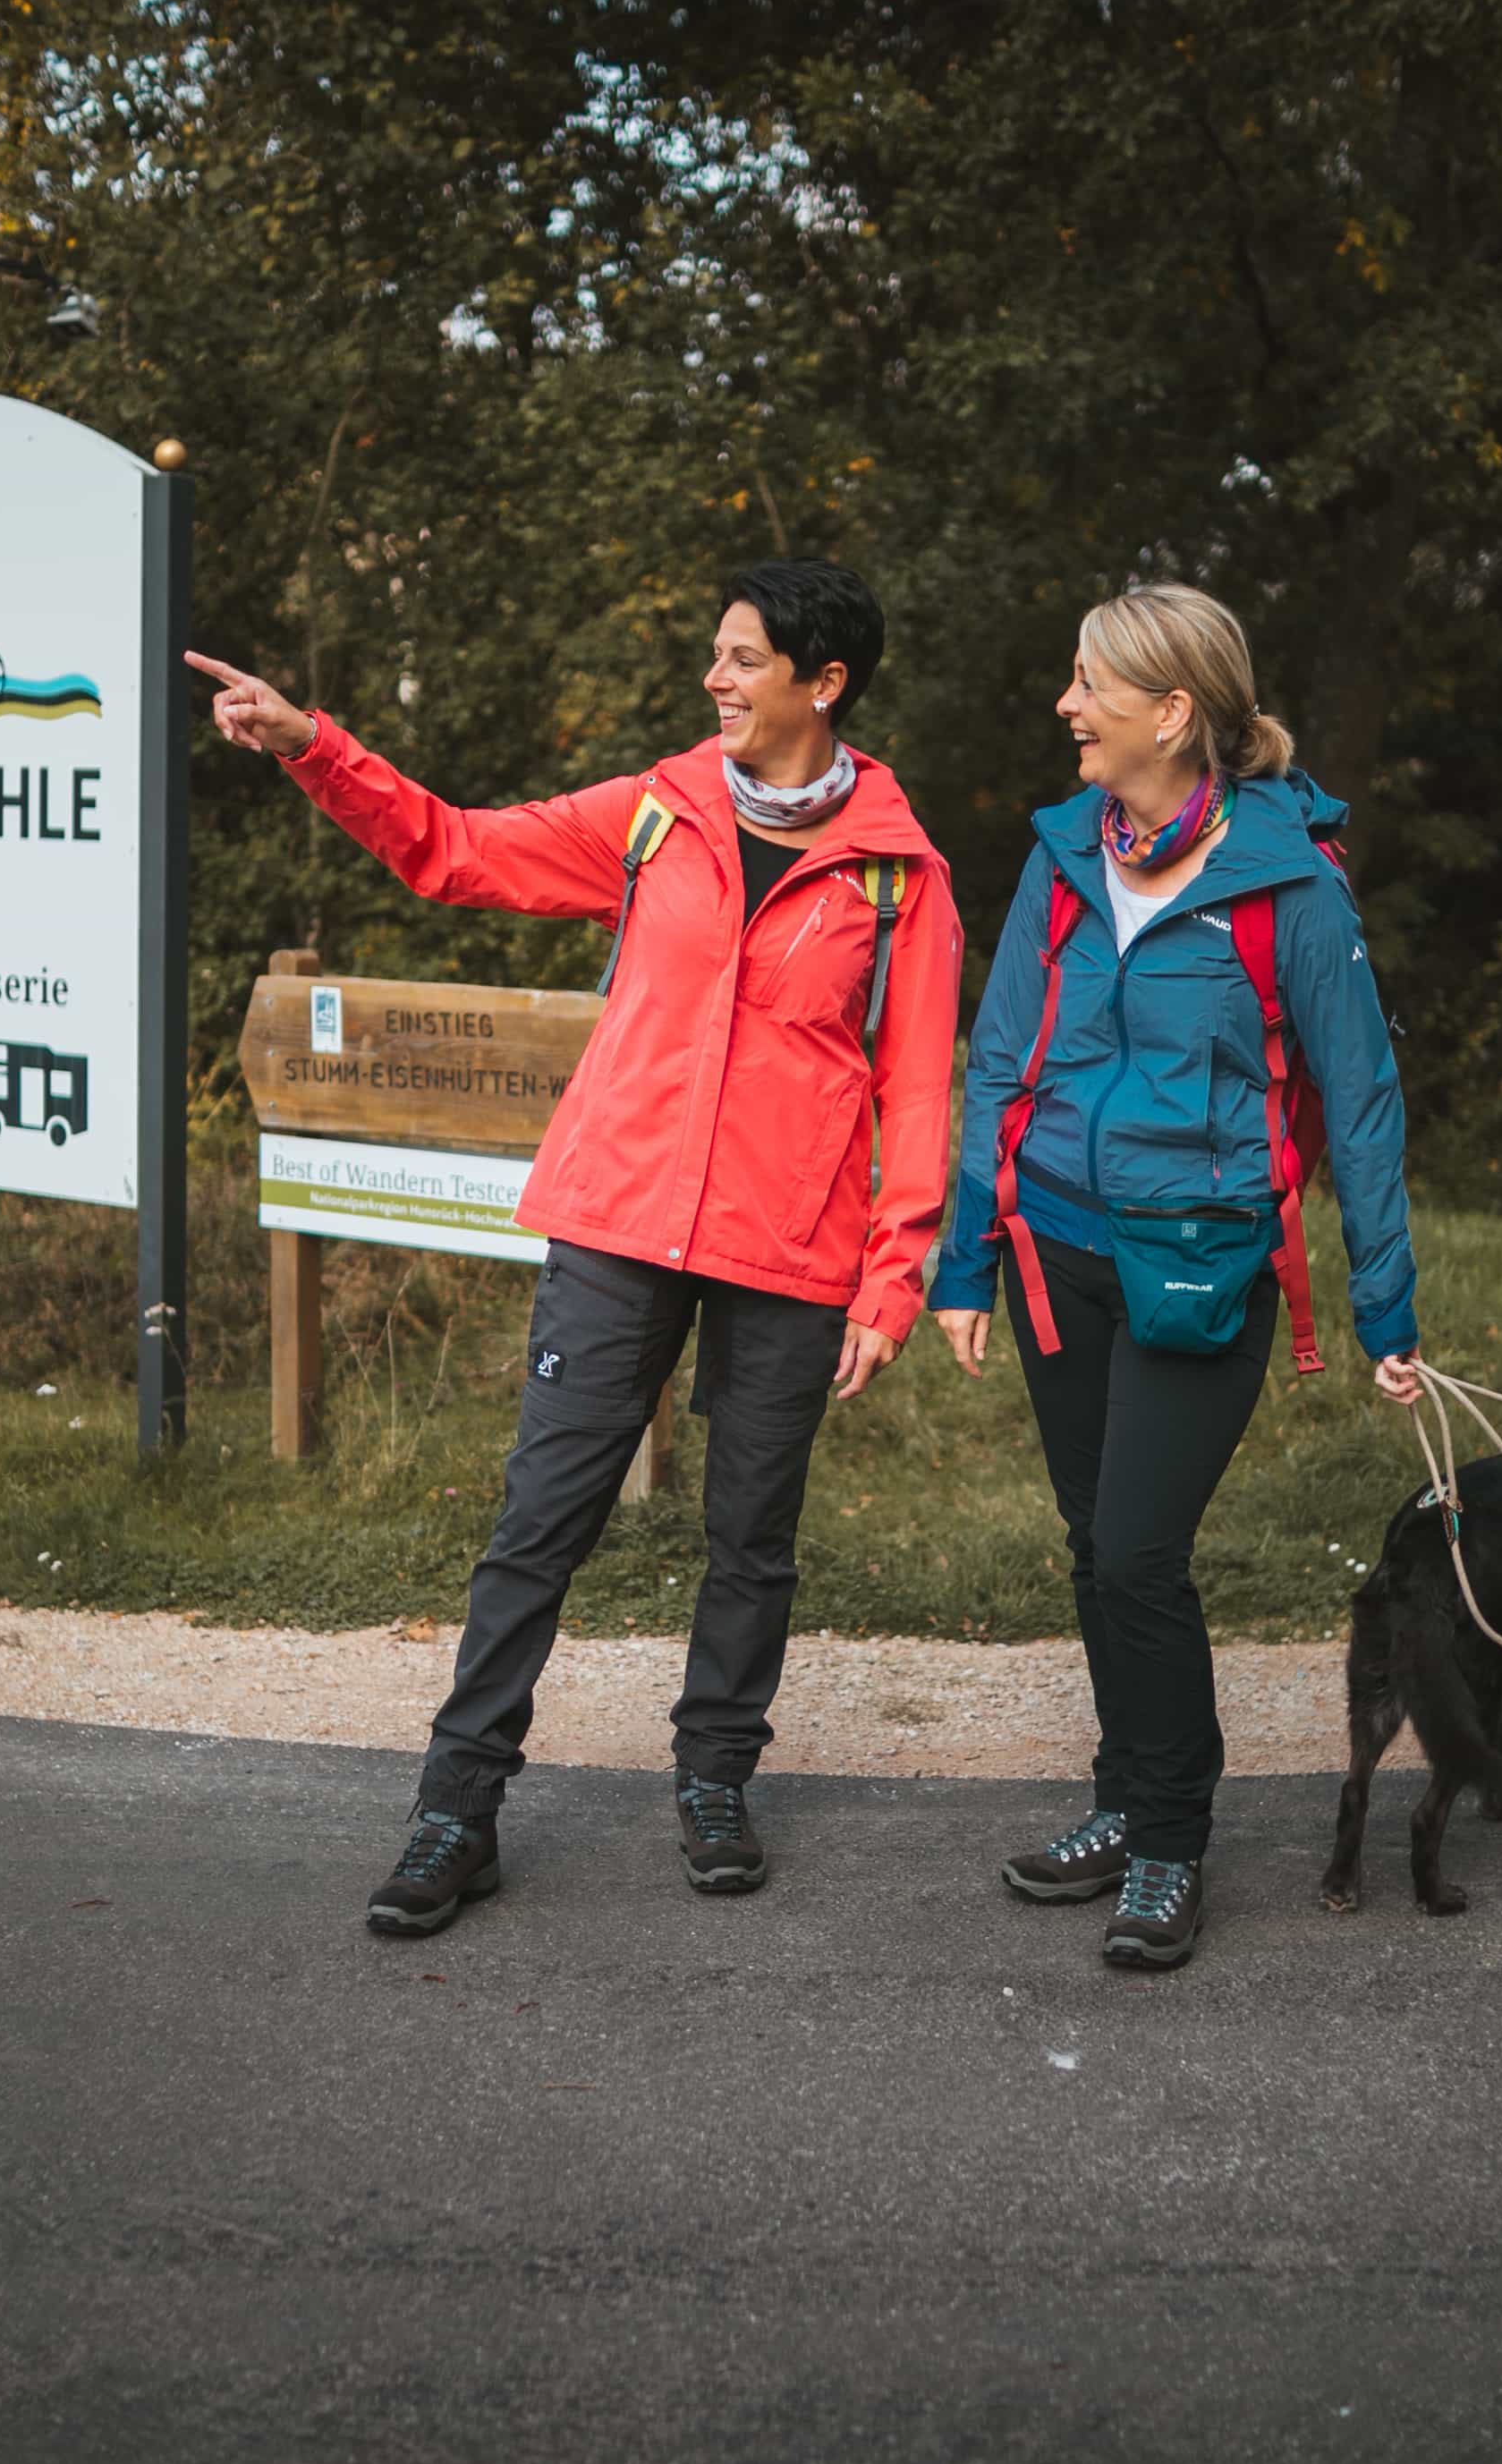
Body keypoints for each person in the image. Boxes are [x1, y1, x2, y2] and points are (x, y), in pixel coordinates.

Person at [190, 563, 962, 1937]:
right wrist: (319, 747)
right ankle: (455, 1808)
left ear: (822, 681)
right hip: (619, 1219)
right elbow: (458, 850)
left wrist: (893, 1275)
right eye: (715, 657)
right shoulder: (655, 815)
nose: (714, 680)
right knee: (540, 1523)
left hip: (791, 1245)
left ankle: (716, 1777)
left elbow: (915, 1089)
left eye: (740, 659)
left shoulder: (903, 875)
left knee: (751, 1539)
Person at [929, 582, 1421, 1975]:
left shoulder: (1289, 885)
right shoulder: (1063, 858)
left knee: (1142, 1553)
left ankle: (1169, 1843)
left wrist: (1385, 1305)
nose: (1066, 707)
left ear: (1172, 712)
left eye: (1089, 685)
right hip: (1056, 1260)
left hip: (1202, 1271)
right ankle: (1123, 1792)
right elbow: (1001, 1057)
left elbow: (1363, 1099)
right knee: (1098, 1550)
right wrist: (966, 1257)